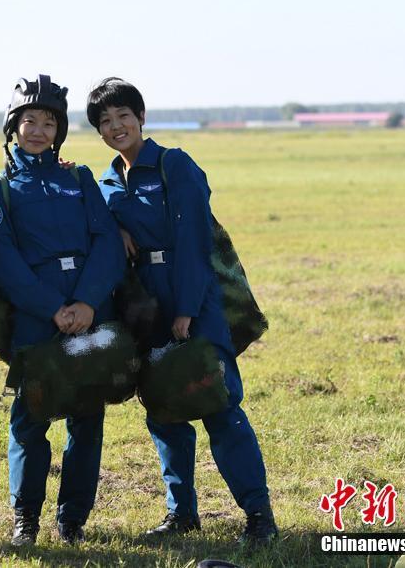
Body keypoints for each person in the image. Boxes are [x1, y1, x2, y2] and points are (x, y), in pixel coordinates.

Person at [86, 77, 278, 546]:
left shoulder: (175, 165)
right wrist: (115, 233)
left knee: (220, 407)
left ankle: (259, 516)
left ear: (141, 117)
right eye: (105, 122)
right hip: (144, 309)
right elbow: (96, 226)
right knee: (164, 411)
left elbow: (195, 242)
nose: (116, 127)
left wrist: (188, 309)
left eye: (123, 116)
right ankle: (182, 512)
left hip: (192, 299)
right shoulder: (107, 180)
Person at [0, 74, 125, 546]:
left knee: (87, 417)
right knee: (30, 419)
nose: (38, 130)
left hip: (89, 312)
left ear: (59, 131)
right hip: (36, 319)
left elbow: (106, 241)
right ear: (13, 127)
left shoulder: (78, 177)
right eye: (29, 121)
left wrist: (86, 302)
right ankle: (26, 519)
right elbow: (3, 259)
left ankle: (74, 518)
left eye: (48, 122)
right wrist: (52, 308)